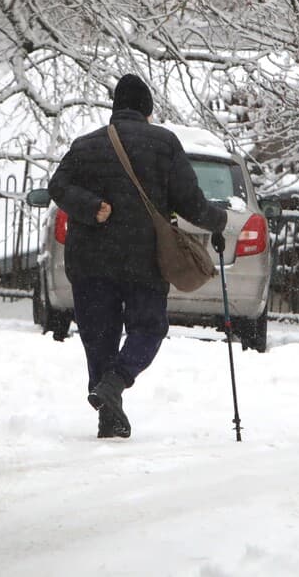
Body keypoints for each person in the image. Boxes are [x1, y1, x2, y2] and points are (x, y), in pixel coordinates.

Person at [48, 74, 228, 439]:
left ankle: (108, 410)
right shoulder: (164, 143)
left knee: (99, 336)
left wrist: (91, 207)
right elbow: (190, 202)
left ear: (116, 108)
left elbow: (57, 187)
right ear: (147, 110)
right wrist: (218, 221)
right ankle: (116, 382)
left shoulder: (85, 145)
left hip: (90, 261)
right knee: (148, 328)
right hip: (142, 259)